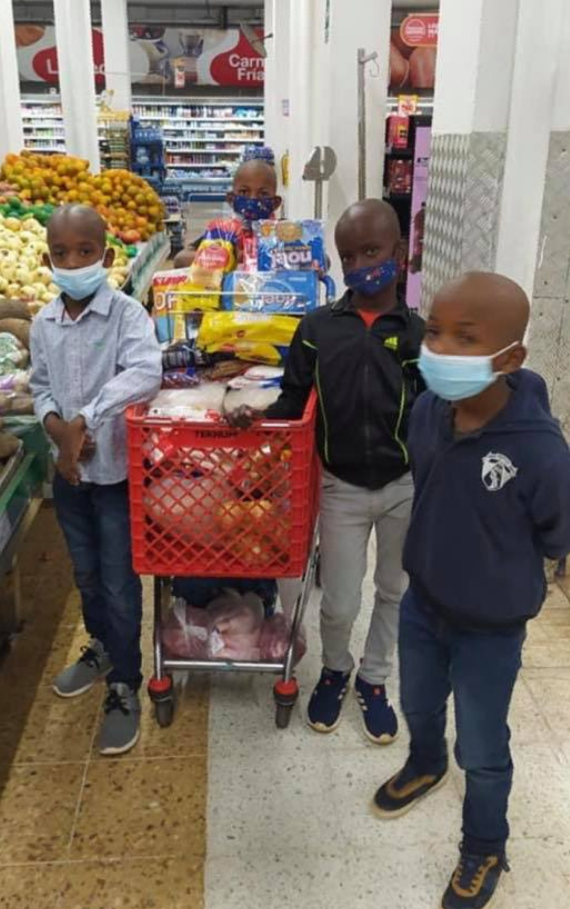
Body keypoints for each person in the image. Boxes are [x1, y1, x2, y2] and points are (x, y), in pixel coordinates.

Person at [373, 272, 570, 909]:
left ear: (509, 358)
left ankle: (485, 843)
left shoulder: (541, 452)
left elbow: (559, 534)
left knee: (483, 746)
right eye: (434, 332)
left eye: (466, 338)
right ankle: (426, 762)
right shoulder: (430, 409)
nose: (441, 350)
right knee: (420, 704)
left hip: (491, 625)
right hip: (423, 602)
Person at [228, 199, 424, 744]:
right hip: (339, 486)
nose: (362, 263)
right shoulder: (317, 328)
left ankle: (375, 677)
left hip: (402, 486)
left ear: (399, 254)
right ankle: (336, 669)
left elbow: (432, 411)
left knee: (393, 588)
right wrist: (255, 413)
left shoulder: (415, 334)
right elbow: (293, 400)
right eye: (349, 254)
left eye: (373, 251)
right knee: (338, 599)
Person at [29, 204, 162, 756]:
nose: (72, 261)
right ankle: (102, 645)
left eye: (85, 252)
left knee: (118, 581)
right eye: (61, 253)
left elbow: (145, 372)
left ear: (106, 257)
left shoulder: (128, 316)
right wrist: (60, 431)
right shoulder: (42, 323)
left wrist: (88, 419)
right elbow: (39, 387)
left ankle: (125, 682)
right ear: (46, 259)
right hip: (71, 477)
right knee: (85, 575)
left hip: (116, 475)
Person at [173, 157, 282, 269]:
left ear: (275, 203)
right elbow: (180, 260)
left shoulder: (283, 234)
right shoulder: (222, 231)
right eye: (244, 192)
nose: (253, 199)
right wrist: (229, 257)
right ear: (231, 199)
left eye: (263, 194)